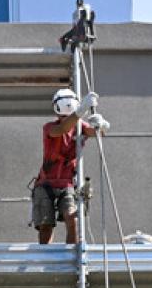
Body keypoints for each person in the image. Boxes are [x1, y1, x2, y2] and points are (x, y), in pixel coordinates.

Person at [31, 88, 108, 245]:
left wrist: (102, 125)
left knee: (72, 218)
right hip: (46, 183)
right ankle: (46, 256)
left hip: (67, 183)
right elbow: (62, 129)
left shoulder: (80, 126)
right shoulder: (50, 128)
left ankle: (71, 255)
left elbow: (97, 133)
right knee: (45, 223)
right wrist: (80, 111)